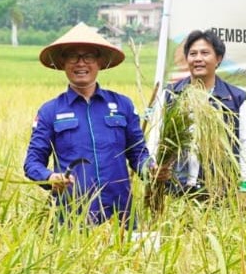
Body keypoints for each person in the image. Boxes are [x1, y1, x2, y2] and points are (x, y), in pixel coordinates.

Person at [24, 23, 151, 225]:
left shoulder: (122, 105)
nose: (81, 63)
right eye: (73, 57)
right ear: (63, 63)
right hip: (71, 218)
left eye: (89, 57)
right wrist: (50, 177)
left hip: (120, 215)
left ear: (99, 62)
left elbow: (138, 154)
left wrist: (151, 170)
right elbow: (32, 163)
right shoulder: (50, 111)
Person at [151, 29, 246, 202]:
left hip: (219, 192)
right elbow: (155, 138)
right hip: (174, 190)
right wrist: (154, 169)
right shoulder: (171, 94)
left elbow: (244, 145)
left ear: (218, 59)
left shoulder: (234, 98)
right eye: (193, 54)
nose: (198, 58)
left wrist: (245, 187)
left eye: (205, 53)